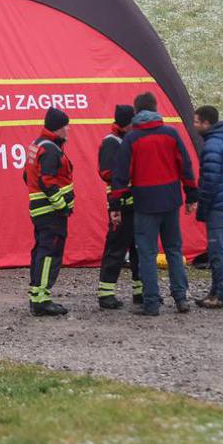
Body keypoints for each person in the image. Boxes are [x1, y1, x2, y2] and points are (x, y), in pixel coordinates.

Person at [112, 91, 198, 317]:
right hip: (170, 200)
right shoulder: (170, 133)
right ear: (156, 108)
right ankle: (181, 298)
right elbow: (185, 165)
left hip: (144, 203)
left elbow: (120, 176)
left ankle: (151, 303)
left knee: (147, 253)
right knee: (173, 250)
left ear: (136, 112)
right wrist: (191, 195)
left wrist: (115, 206)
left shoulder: (131, 139)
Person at [24, 107, 75, 316]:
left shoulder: (36, 145)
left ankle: (36, 294)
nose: (68, 129)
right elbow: (47, 181)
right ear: (58, 128)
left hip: (40, 211)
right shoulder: (51, 150)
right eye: (66, 126)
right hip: (51, 213)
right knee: (49, 253)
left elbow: (27, 177)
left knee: (41, 251)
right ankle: (42, 299)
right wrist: (61, 205)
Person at [96, 104, 142, 310]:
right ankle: (106, 294)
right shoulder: (111, 143)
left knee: (138, 251)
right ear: (127, 123)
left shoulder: (127, 140)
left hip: (136, 206)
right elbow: (107, 173)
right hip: (120, 206)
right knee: (115, 249)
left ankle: (140, 292)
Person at [193, 105, 223, 309]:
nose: (193, 125)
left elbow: (209, 181)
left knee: (218, 251)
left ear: (206, 123)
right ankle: (215, 292)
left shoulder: (212, 146)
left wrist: (202, 206)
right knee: (217, 250)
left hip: (217, 206)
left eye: (196, 121)